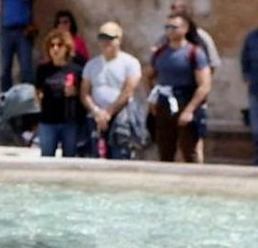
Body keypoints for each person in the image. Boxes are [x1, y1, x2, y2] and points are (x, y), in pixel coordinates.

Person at [145, 12, 212, 163]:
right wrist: (152, 98)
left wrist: (190, 110)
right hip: (164, 102)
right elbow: (148, 75)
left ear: (185, 29)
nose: (170, 30)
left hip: (186, 99)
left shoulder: (195, 53)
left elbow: (204, 85)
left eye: (174, 27)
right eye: (167, 27)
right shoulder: (160, 52)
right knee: (165, 149)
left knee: (190, 152)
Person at [80, 21, 143, 160]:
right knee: (97, 155)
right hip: (96, 116)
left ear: (119, 40)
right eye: (102, 38)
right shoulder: (92, 64)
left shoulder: (130, 63)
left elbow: (128, 91)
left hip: (121, 116)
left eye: (110, 38)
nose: (106, 42)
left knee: (120, 155)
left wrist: (109, 113)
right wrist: (96, 112)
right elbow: (84, 92)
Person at [34, 29, 82, 157]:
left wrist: (74, 92)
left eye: (59, 45)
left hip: (69, 121)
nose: (55, 48)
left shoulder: (76, 70)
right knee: (47, 158)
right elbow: (38, 92)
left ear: (67, 48)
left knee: (69, 158)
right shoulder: (42, 69)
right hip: (48, 121)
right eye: (52, 45)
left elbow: (82, 95)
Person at [242, 26, 258, 165]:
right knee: (256, 128)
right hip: (255, 90)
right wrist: (246, 76)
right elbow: (245, 59)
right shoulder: (252, 37)